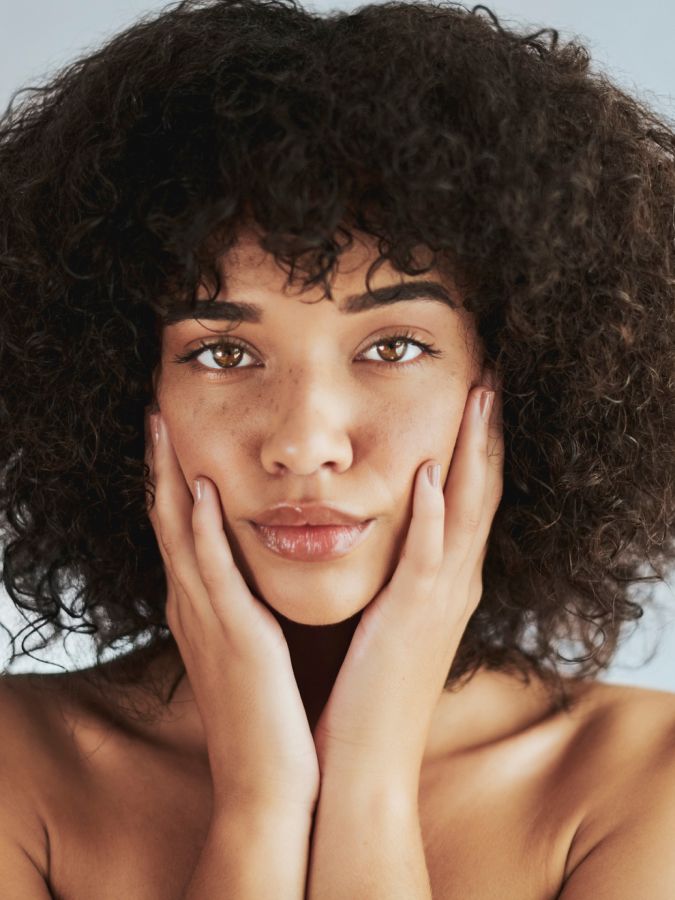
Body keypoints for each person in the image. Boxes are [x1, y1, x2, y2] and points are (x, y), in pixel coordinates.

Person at [0, 0, 674, 895]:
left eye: (393, 347)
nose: (304, 442)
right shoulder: (20, 766)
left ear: (524, 380)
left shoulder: (642, 780)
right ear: (119, 389)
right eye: (222, 351)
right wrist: (260, 800)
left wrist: (368, 782)